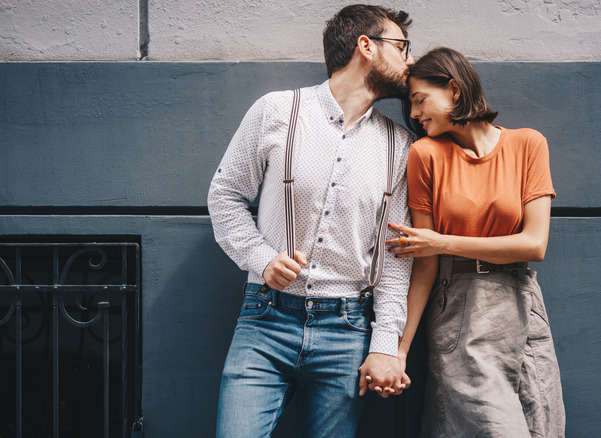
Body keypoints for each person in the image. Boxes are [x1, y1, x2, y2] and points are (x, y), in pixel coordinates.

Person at [207, 5, 416, 437]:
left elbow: (395, 260)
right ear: (366, 47)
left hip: (347, 330)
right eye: (401, 47)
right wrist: (262, 258)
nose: (409, 61)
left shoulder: (401, 146)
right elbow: (224, 196)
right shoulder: (276, 111)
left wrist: (384, 347)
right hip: (265, 321)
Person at [387, 47, 566, 437]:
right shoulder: (425, 155)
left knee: (544, 427)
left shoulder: (528, 144)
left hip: (523, 304)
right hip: (460, 308)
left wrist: (443, 241)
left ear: (454, 89)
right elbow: (425, 262)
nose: (415, 114)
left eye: (420, 100)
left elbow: (535, 245)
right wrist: (398, 349)